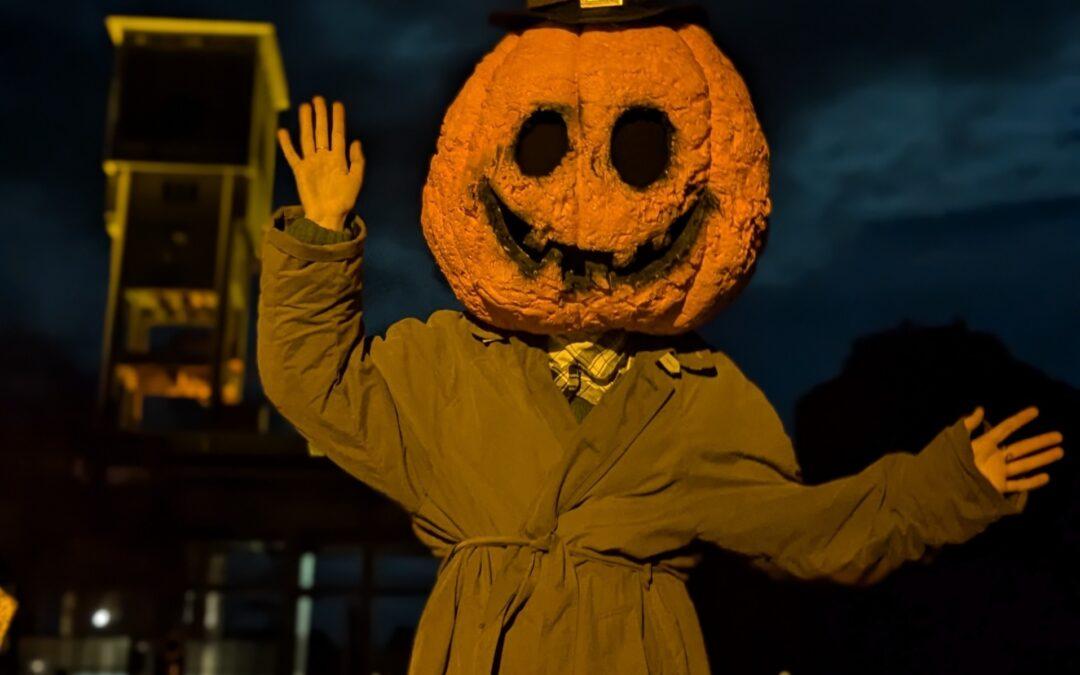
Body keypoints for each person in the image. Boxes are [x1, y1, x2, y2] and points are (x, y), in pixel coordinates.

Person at [260, 93, 1064, 674]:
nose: (582, 226)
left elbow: (812, 529)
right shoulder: (447, 366)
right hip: (484, 648)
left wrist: (951, 484)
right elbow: (314, 384)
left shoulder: (700, 399)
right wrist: (321, 234)